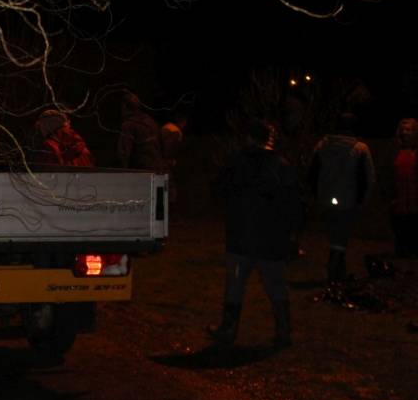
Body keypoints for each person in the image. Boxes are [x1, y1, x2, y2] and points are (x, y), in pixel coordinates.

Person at [209, 118, 303, 349]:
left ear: (249, 137)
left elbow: (219, 190)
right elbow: (294, 204)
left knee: (235, 284)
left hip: (241, 236)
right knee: (276, 284)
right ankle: (284, 330)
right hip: (272, 238)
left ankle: (229, 329)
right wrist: (292, 235)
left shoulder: (236, 162)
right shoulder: (282, 165)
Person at [307, 112, 376, 285]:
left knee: (335, 235)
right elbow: (368, 177)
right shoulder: (360, 149)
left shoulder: (322, 145)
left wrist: (316, 196)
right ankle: (334, 271)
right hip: (349, 200)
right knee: (341, 237)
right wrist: (363, 200)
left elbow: (312, 172)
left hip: (326, 199)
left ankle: (339, 272)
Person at [384, 117, 418, 257]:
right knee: (400, 229)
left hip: (414, 201)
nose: (405, 133)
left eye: (409, 130)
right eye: (403, 130)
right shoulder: (394, 151)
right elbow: (388, 175)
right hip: (399, 201)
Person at [117, 91, 165, 171]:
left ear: (124, 106)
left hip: (140, 170)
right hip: (157, 169)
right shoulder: (152, 122)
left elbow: (125, 153)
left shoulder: (129, 125)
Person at [161, 108, 189, 203]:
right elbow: (168, 147)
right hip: (165, 162)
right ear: (183, 122)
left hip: (157, 160)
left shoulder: (166, 127)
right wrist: (169, 160)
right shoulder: (176, 132)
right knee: (170, 187)